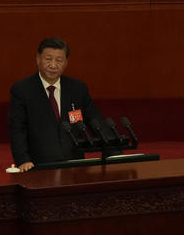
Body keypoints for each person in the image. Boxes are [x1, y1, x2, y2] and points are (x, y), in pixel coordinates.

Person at [9, 37, 112, 169]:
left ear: (66, 63)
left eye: (59, 60)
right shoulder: (22, 90)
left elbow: (95, 121)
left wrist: (114, 152)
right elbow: (18, 129)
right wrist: (23, 160)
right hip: (39, 166)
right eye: (48, 59)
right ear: (38, 59)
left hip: (75, 166)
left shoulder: (77, 88)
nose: (53, 65)